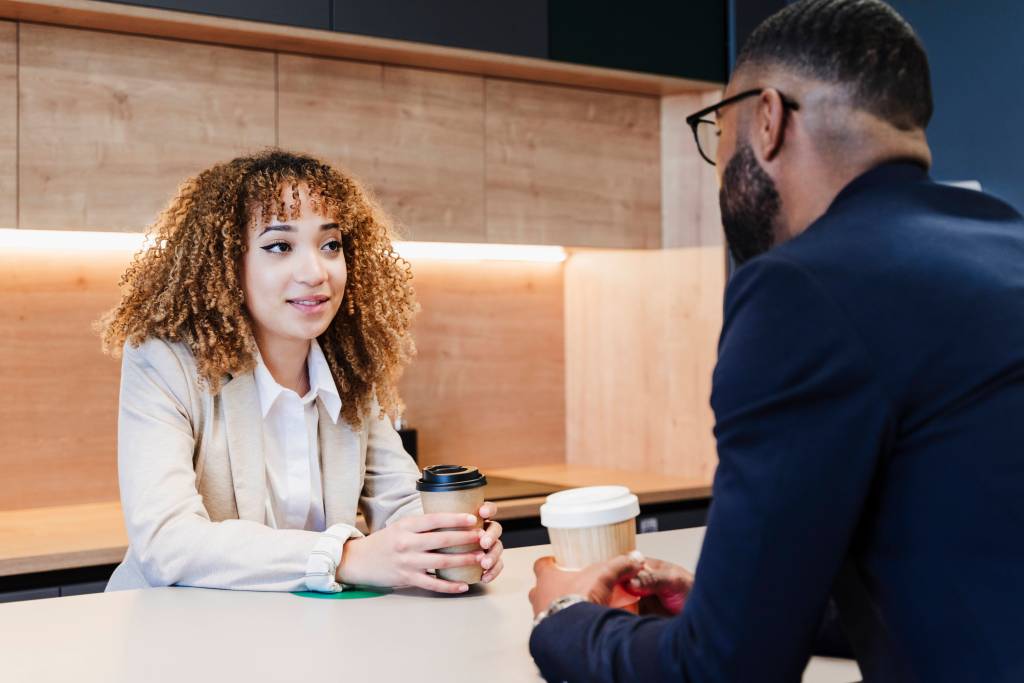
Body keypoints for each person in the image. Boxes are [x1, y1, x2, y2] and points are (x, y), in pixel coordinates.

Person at [527, 1, 1024, 680]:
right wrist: (730, 605)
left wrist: (566, 619)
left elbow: (724, 671)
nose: (719, 163)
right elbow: (965, 572)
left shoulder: (801, 288)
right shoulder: (1006, 243)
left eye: (718, 129)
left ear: (766, 119)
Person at [99, 149, 504, 594]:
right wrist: (343, 557)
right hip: (176, 637)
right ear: (227, 264)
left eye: (330, 245)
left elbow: (400, 499)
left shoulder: (347, 366)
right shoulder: (163, 360)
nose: (315, 272)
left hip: (298, 633)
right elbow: (167, 542)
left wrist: (453, 540)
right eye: (279, 246)